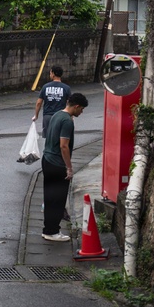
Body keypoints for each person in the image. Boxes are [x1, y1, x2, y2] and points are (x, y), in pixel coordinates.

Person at [41, 92, 89, 242]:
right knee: (58, 199)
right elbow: (64, 146)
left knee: (49, 197)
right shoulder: (67, 121)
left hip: (47, 159)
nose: (82, 112)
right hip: (57, 163)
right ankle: (52, 231)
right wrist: (69, 167)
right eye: (82, 109)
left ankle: (47, 229)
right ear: (76, 106)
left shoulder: (57, 115)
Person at [32, 66, 71, 136]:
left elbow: (39, 103)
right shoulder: (66, 88)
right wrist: (70, 116)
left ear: (53, 74)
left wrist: (36, 115)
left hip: (48, 116)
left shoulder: (45, 87)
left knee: (49, 137)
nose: (50, 75)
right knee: (60, 136)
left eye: (50, 73)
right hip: (61, 116)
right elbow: (69, 104)